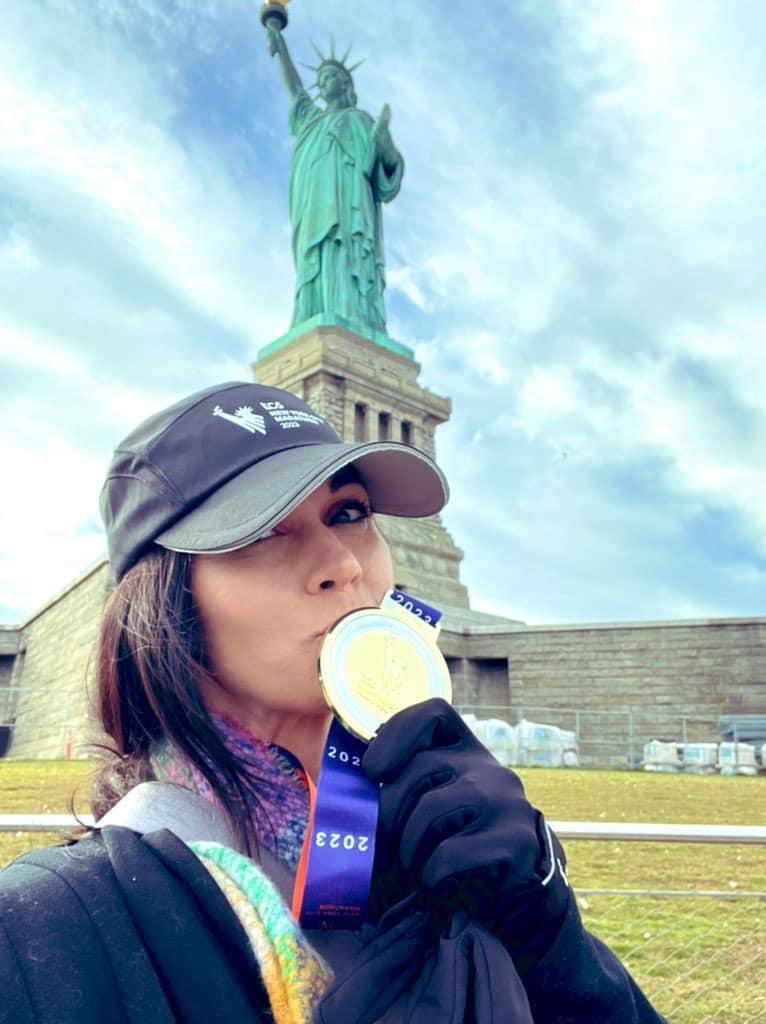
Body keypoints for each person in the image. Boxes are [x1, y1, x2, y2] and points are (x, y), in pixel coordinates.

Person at [0, 381, 666, 1023]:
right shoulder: (48, 931)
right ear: (165, 603)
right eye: (264, 529)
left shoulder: (455, 852)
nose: (343, 564)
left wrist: (546, 934)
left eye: (349, 514)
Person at [265, 22, 403, 333]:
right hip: (314, 206)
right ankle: (314, 310)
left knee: (345, 253)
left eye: (329, 77)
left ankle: (352, 313)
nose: (323, 82)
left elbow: (387, 174)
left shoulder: (360, 120)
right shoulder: (311, 121)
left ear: (344, 83)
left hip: (349, 206)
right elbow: (295, 91)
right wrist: (281, 48)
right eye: (320, 79)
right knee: (317, 255)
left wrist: (385, 144)